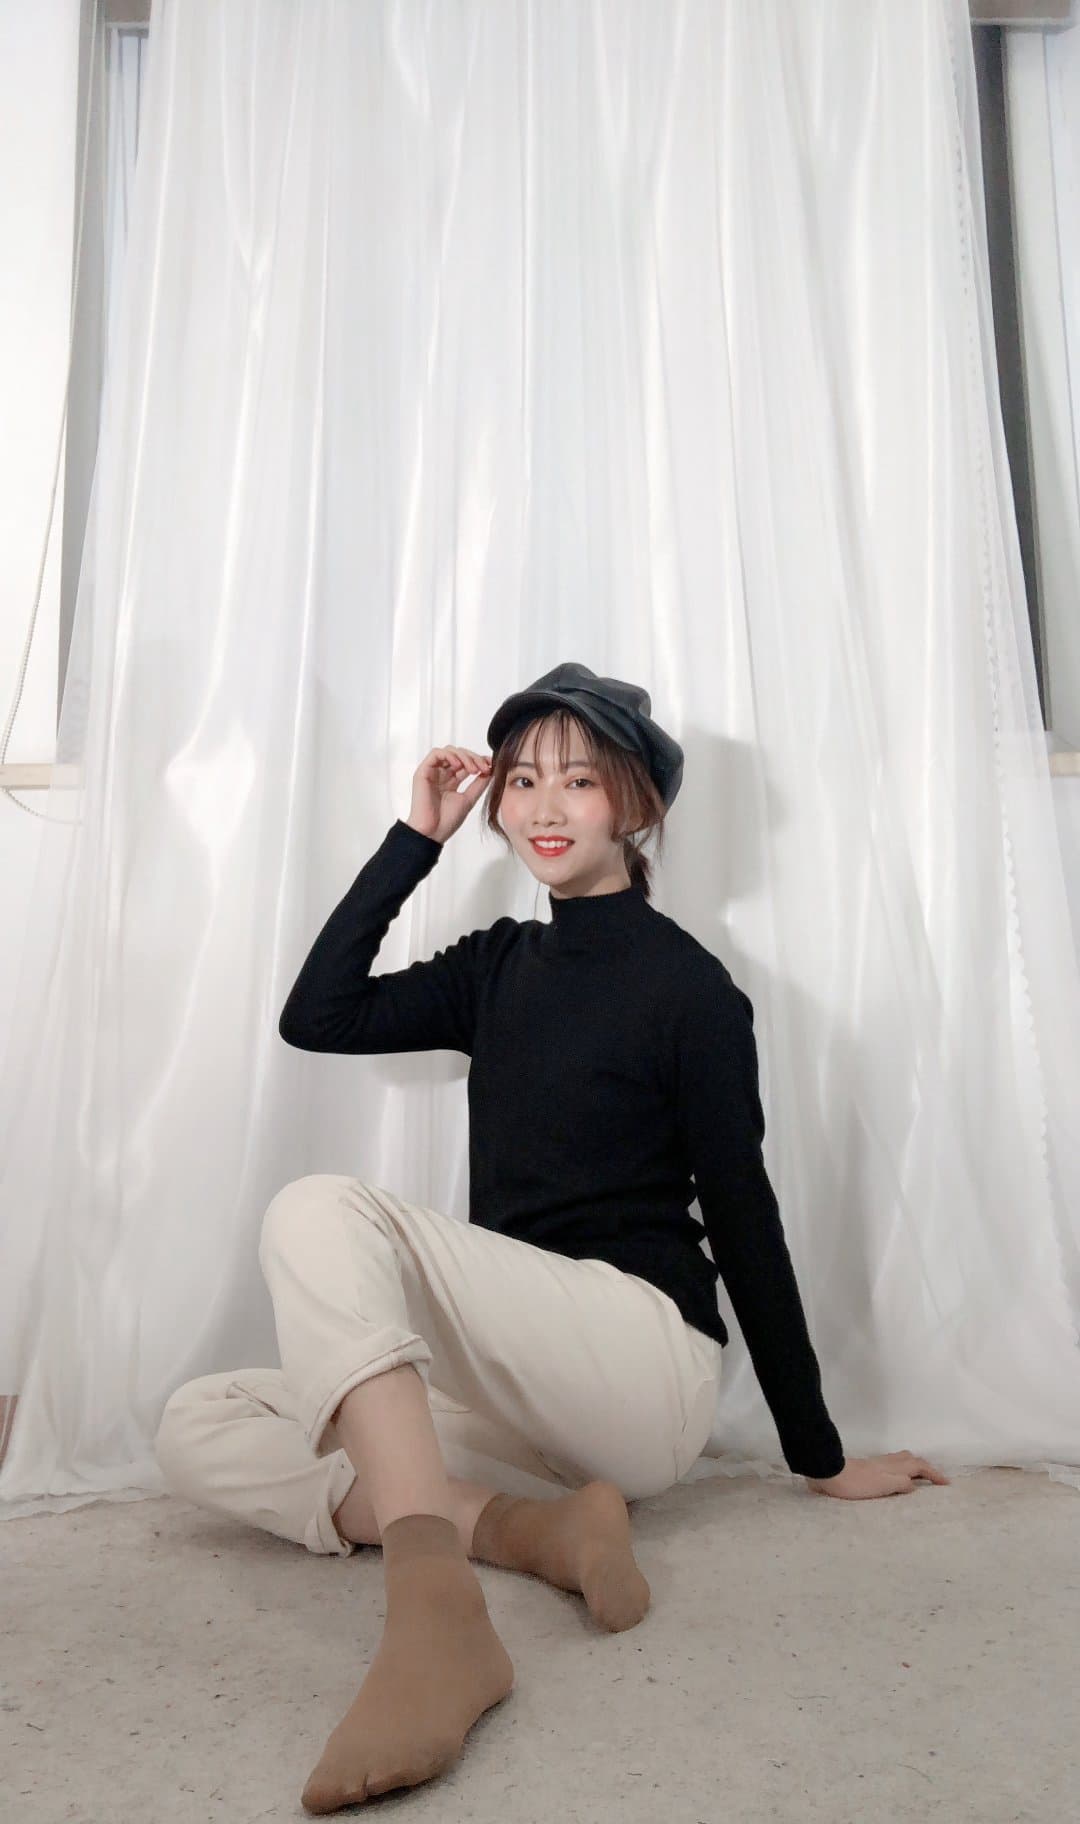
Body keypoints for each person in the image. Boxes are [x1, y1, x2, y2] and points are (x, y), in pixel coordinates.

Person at [155, 661, 948, 1814]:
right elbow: (316, 1015)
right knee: (198, 1425)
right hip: (526, 1407)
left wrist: (819, 1457)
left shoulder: (694, 993)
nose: (542, 805)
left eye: (578, 780)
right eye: (521, 780)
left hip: (639, 1366)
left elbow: (744, 1218)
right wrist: (414, 836)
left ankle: (434, 1618)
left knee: (317, 1209)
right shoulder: (496, 969)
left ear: (637, 805)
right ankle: (535, 1535)